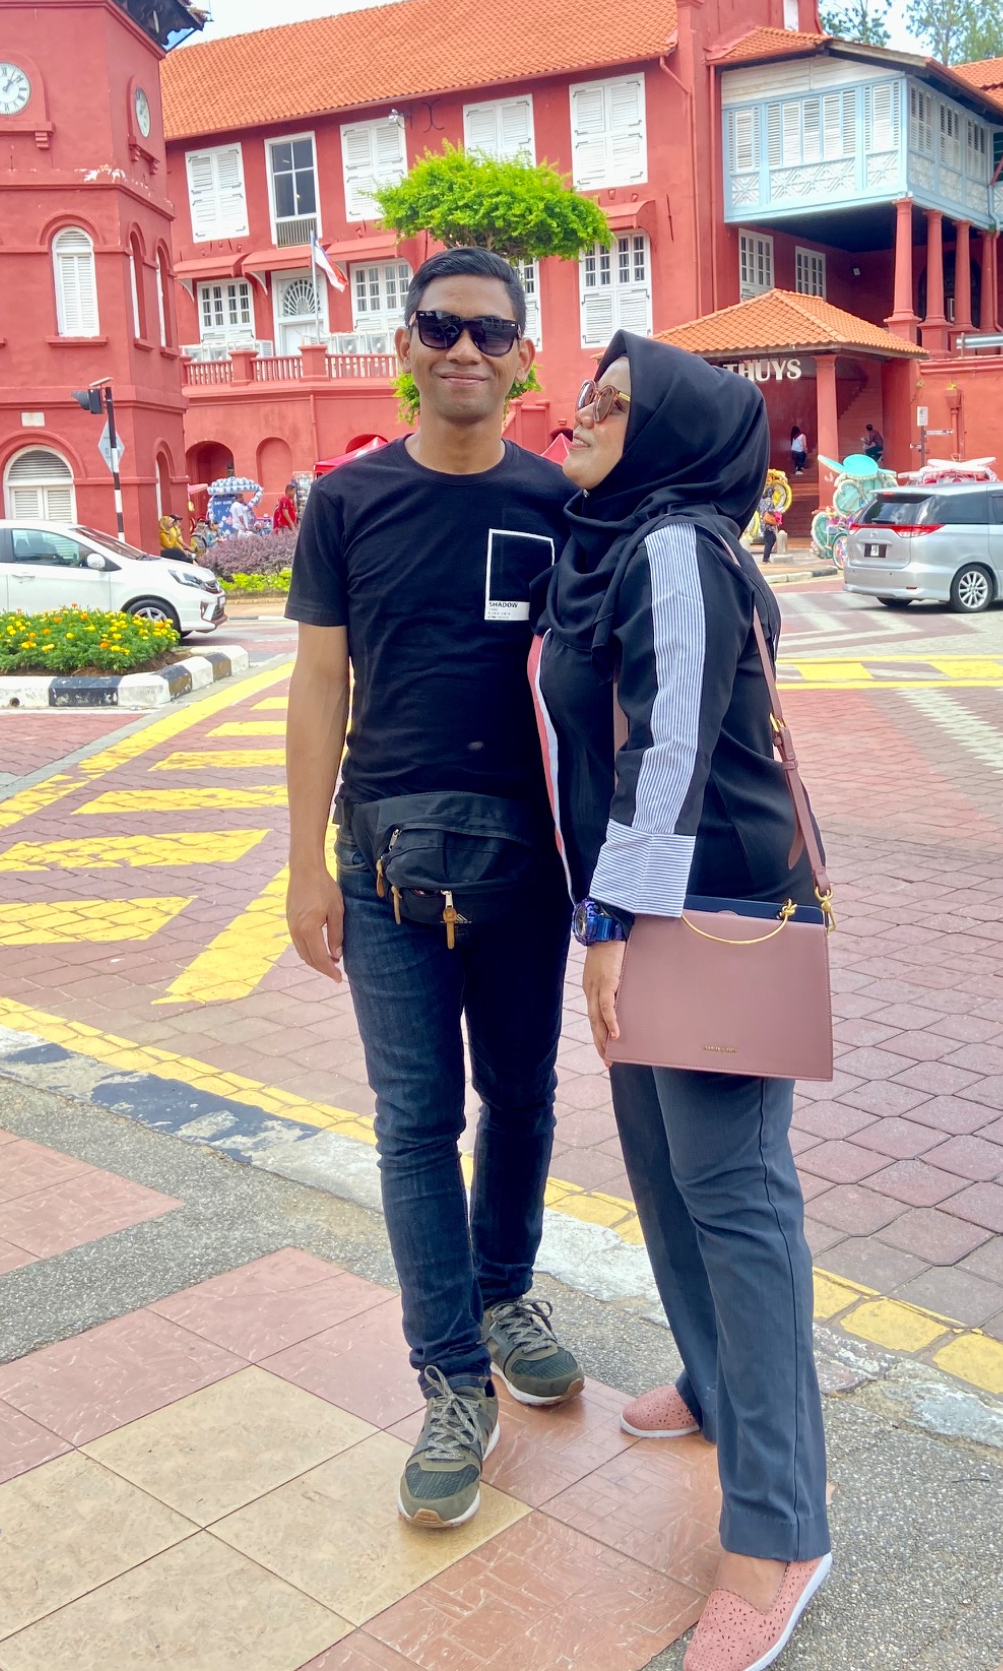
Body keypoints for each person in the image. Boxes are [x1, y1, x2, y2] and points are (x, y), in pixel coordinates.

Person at [537, 333, 830, 1671]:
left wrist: (610, 921)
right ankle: (716, 1390)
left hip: (701, 913)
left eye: (612, 404)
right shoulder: (604, 544)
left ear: (670, 436)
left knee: (735, 1201)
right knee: (666, 1178)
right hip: (640, 907)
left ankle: (780, 1533)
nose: (582, 415)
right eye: (586, 396)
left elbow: (670, 747)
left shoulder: (670, 544)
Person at [284, 245, 582, 1535]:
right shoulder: (347, 501)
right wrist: (302, 862)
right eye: (440, 326)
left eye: (490, 332)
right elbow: (318, 685)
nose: (464, 349)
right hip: (382, 858)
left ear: (522, 358)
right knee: (415, 1123)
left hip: (532, 858)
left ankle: (505, 1291)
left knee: (522, 1093)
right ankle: (451, 1376)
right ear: (405, 344)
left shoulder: (560, 500)